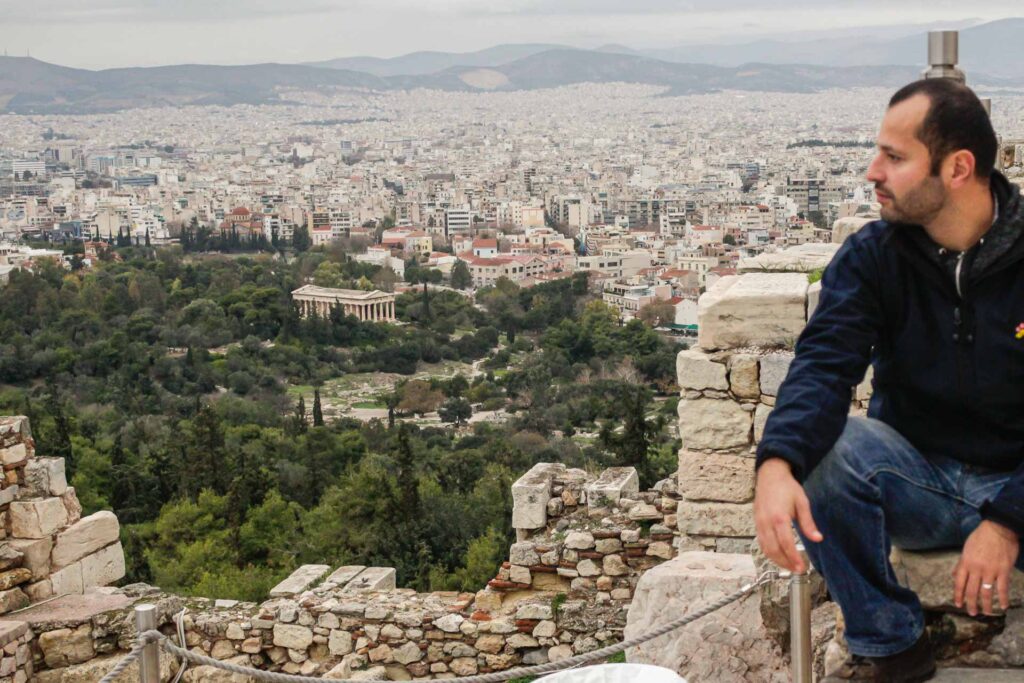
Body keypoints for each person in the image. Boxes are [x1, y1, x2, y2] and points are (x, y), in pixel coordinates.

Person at [753, 77, 1024, 683]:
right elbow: (824, 364)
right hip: (918, 482)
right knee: (822, 449)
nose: (873, 171)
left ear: (957, 168)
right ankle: (891, 643)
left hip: (1016, 474)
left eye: (895, 157)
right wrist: (777, 463)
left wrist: (1008, 520)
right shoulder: (875, 255)